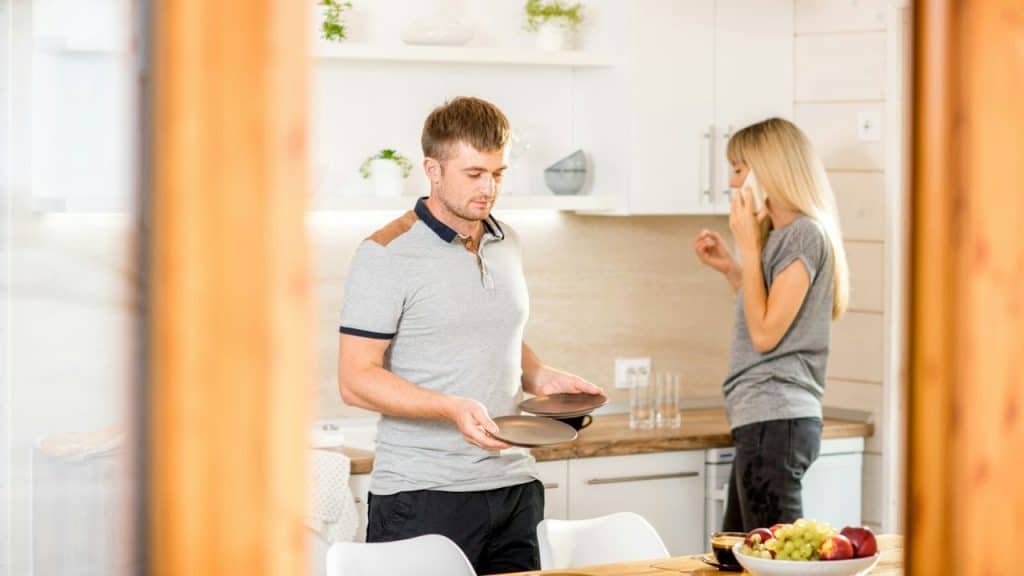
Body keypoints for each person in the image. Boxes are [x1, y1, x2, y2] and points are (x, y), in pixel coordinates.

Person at [337, 96, 603, 573]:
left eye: (498, 174)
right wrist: (450, 406)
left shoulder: (508, 242)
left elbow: (484, 328)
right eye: (474, 173)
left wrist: (538, 374)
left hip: (514, 486)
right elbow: (355, 380)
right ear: (432, 170)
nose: (489, 189)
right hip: (423, 494)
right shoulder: (385, 254)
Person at [693, 117, 850, 531]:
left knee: (776, 561)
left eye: (739, 169)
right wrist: (734, 268)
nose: (730, 182)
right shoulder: (783, 236)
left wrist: (747, 244)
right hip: (764, 419)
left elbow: (765, 335)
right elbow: (771, 312)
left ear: (770, 170)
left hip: (775, 418)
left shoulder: (802, 235)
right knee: (737, 555)